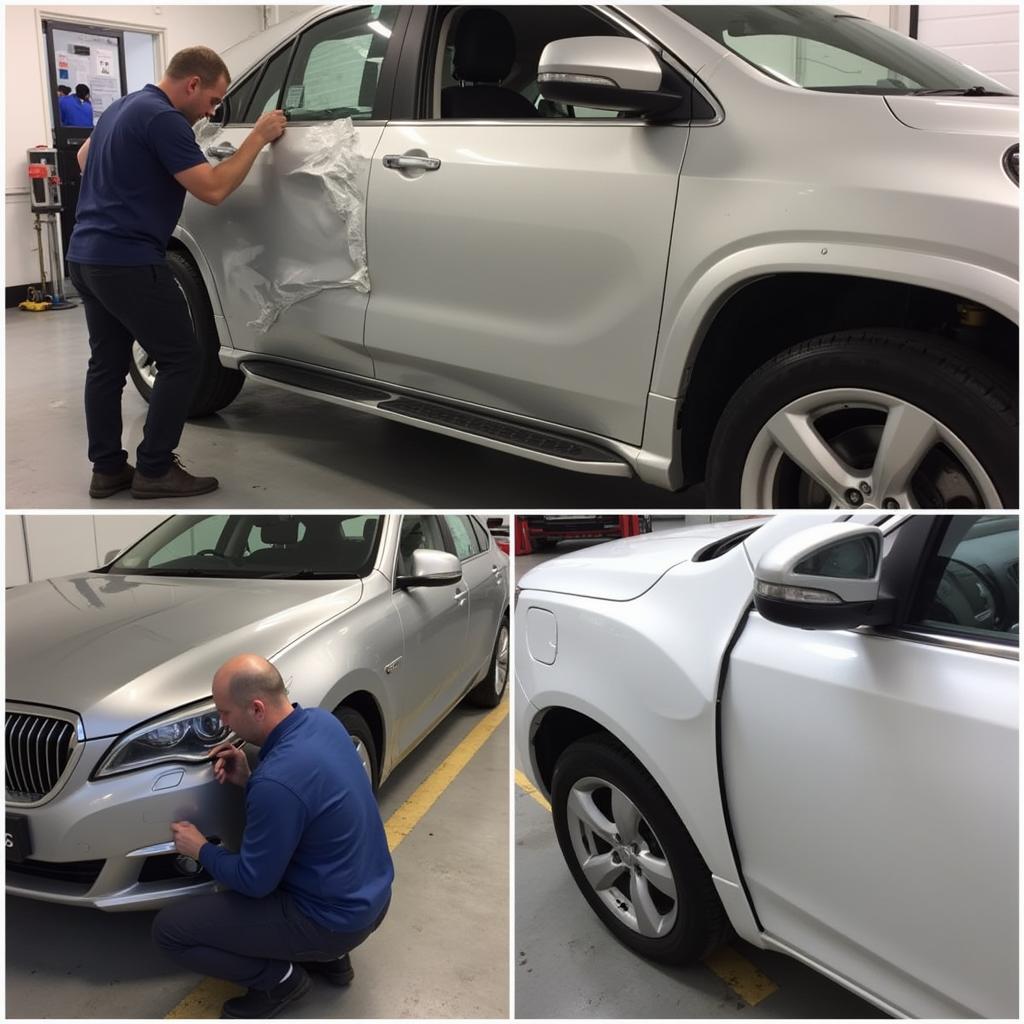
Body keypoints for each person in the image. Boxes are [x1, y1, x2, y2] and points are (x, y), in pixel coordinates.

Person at [68, 47, 286, 499]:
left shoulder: (123, 107)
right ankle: (155, 468)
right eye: (212, 100)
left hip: (86, 256)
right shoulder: (163, 119)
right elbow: (214, 188)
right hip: (127, 260)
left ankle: (108, 470)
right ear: (192, 85)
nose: (211, 111)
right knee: (183, 358)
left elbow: (84, 159)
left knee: (106, 366)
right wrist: (258, 137)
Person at [152, 655, 394, 1020]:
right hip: (373, 899)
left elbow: (254, 882)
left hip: (333, 921)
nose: (222, 723)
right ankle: (332, 960)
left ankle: (281, 980)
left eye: (226, 713)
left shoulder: (277, 781)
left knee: (169, 931)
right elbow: (307, 806)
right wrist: (250, 779)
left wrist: (200, 849)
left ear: (257, 708)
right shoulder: (322, 721)